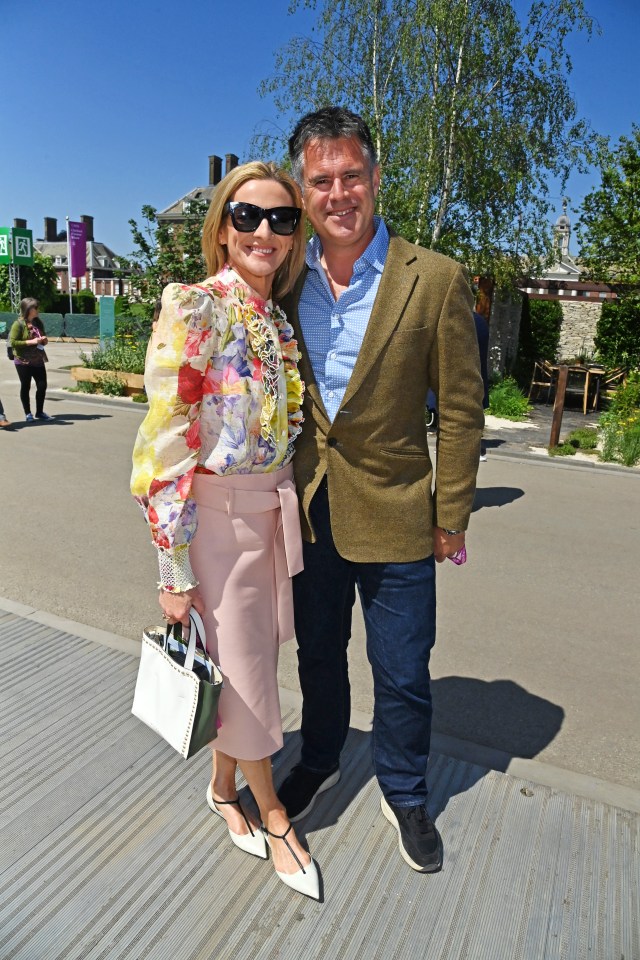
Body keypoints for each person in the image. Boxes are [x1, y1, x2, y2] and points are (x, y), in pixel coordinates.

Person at [276, 107, 485, 874]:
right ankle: (323, 755)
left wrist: (452, 515)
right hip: (310, 510)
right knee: (320, 656)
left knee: (402, 670)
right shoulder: (286, 276)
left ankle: (404, 790)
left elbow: (461, 409)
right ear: (303, 190)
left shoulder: (433, 280)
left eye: (351, 175)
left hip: (400, 512)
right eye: (321, 180)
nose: (339, 193)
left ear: (375, 177)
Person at [131, 161, 319, 900]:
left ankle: (219, 786)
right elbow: (164, 441)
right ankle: (272, 811)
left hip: (267, 519)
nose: (265, 231)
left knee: (250, 662)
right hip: (215, 526)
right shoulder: (197, 306)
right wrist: (172, 570)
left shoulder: (276, 317)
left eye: (282, 219)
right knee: (249, 677)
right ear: (221, 226)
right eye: (248, 216)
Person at [9, 298, 52, 422]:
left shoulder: (38, 322)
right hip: (23, 361)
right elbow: (13, 342)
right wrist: (31, 341)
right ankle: (28, 413)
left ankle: (39, 412)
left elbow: (41, 338)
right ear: (28, 309)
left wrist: (44, 341)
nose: (38, 310)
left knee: (42, 385)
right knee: (26, 386)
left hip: (38, 359)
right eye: (36, 308)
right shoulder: (18, 324)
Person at [473, 310, 490, 460]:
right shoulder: (479, 321)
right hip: (476, 377)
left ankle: (477, 449)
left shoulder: (472, 321)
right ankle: (477, 448)